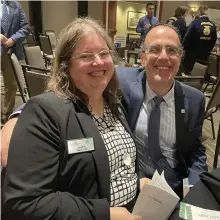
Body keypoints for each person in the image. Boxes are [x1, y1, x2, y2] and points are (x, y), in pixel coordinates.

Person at [2, 17, 143, 220]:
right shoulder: (46, 112)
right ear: (65, 65)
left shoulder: (115, 104)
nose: (98, 61)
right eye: (86, 56)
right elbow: (25, 202)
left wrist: (139, 181)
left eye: (104, 53)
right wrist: (104, 215)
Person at [116, 23, 208, 197]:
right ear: (143, 58)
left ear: (180, 58)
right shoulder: (123, 83)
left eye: (172, 50)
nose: (164, 57)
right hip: (136, 183)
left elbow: (195, 150)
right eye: (155, 49)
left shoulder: (195, 100)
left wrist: (195, 188)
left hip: (175, 184)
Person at [1, 0, 30, 123]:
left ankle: (5, 115)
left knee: (11, 86)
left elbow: (25, 27)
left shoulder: (16, 5)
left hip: (9, 51)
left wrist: (13, 39)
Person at [182, 5, 217, 74]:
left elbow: (186, 37)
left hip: (191, 54)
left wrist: (183, 48)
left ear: (199, 12)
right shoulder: (213, 25)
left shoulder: (195, 23)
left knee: (187, 73)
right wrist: (208, 50)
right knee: (199, 74)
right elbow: (214, 40)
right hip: (204, 56)